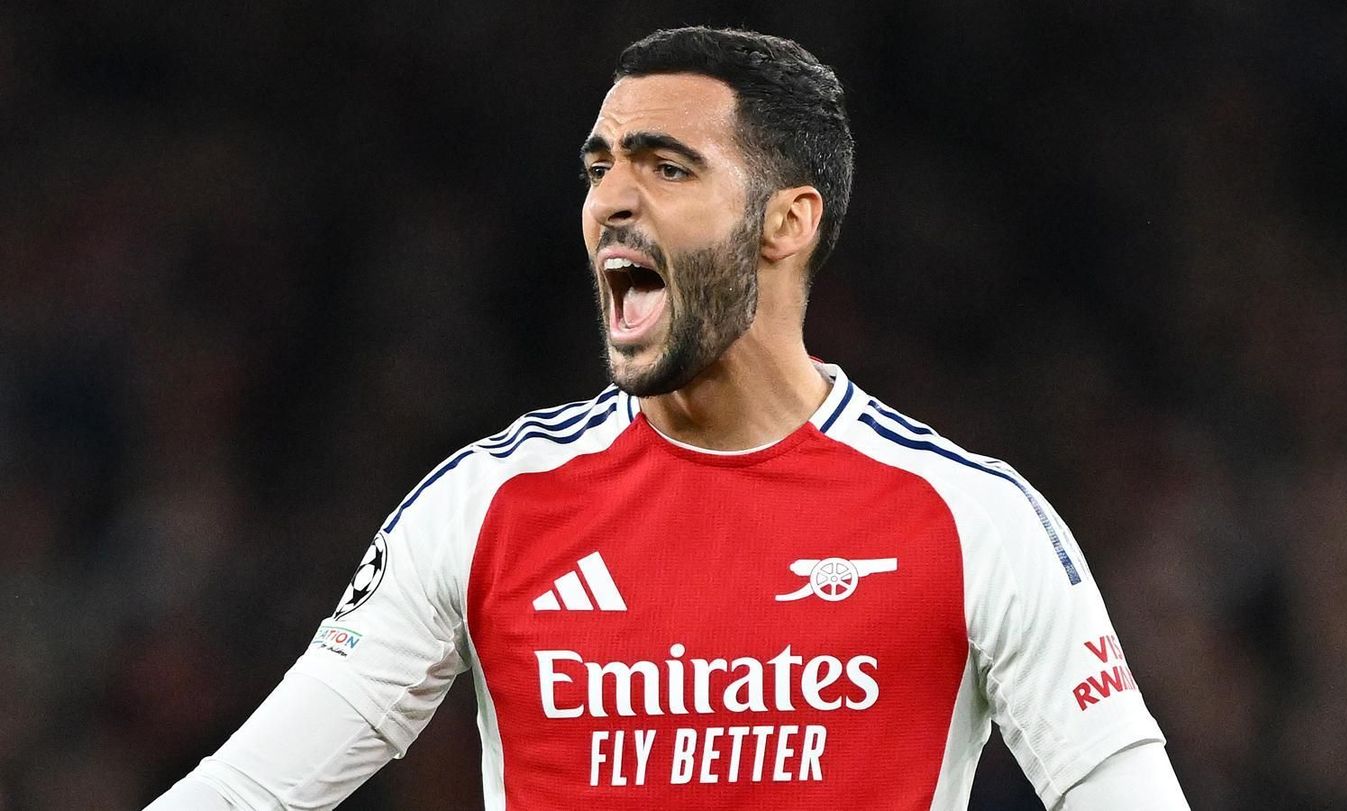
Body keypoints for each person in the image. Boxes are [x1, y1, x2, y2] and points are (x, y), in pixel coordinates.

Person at [147, 26, 1189, 810]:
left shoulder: (973, 523)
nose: (611, 199)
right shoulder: (483, 508)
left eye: (666, 165)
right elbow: (249, 793)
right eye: (600, 166)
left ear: (787, 220)